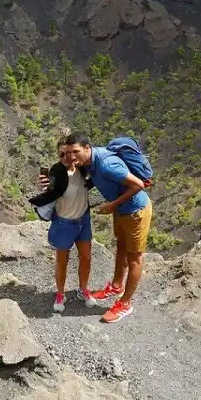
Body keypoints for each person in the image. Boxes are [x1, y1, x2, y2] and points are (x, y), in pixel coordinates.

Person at [44, 132, 152, 324]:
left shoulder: (106, 164)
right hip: (122, 210)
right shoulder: (88, 164)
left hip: (136, 210)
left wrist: (112, 205)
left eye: (75, 151)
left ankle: (125, 304)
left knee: (134, 257)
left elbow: (139, 185)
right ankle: (117, 286)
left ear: (87, 148)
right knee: (121, 246)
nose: (71, 157)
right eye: (67, 153)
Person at [28, 138, 95, 312]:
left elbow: (93, 179)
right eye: (62, 154)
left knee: (86, 258)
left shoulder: (82, 169)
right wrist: (42, 187)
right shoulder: (56, 173)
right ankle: (60, 293)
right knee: (62, 261)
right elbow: (48, 189)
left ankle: (83, 290)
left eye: (70, 152)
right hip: (64, 223)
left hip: (83, 220)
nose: (67, 157)